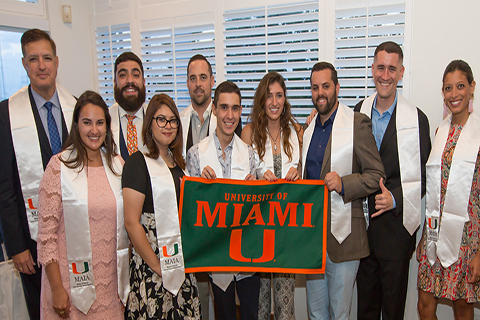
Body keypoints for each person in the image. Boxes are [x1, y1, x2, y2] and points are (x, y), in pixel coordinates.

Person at [0, 28, 76, 320]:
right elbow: (4, 187)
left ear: (57, 61)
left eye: (46, 58)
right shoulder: (6, 114)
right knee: (42, 309)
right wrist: (16, 246)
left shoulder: (76, 106)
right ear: (24, 64)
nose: (41, 65)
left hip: (74, 232)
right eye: (33, 59)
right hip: (31, 239)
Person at [354, 41, 431, 320]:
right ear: (372, 69)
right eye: (380, 68)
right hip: (361, 231)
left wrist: (395, 197)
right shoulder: (355, 112)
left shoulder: (416, 118)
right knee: (366, 310)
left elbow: (424, 175)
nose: (385, 75)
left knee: (393, 311)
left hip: (396, 232)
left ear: (401, 72)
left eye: (392, 69)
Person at [303, 62, 384, 320]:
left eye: (326, 86)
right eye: (315, 88)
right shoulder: (308, 129)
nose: (320, 93)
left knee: (340, 314)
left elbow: (376, 176)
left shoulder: (357, 124)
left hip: (345, 237)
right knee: (316, 314)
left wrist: (344, 183)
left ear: (337, 87)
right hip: (312, 237)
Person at [37, 90, 129, 319]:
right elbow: (47, 235)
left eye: (100, 123)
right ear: (76, 125)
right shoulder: (59, 166)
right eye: (87, 122)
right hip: (69, 289)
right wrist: (57, 288)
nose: (94, 130)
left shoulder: (118, 165)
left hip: (110, 288)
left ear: (107, 127)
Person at [123, 93, 201, 319]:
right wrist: (158, 266)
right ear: (150, 124)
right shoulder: (137, 163)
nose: (168, 126)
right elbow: (131, 222)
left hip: (180, 260)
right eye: (161, 119)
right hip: (152, 265)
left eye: (173, 120)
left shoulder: (179, 164)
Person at [187, 81, 260, 320]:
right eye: (224, 108)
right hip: (217, 254)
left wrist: (254, 191)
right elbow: (190, 210)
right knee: (225, 315)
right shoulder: (196, 153)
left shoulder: (249, 153)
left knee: (250, 314)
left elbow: (259, 210)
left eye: (235, 108)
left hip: (247, 253)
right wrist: (201, 188)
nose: (230, 115)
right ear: (215, 110)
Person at [417, 60, 479, 320]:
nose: (454, 94)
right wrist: (424, 234)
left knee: (462, 309)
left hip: (467, 236)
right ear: (443, 93)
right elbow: (435, 188)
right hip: (434, 232)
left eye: (460, 86)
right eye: (448, 88)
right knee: (424, 305)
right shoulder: (441, 130)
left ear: (472, 87)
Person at [241, 71, 302, 320]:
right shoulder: (249, 133)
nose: (274, 102)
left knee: (286, 305)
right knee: (260, 302)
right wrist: (255, 181)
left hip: (287, 228)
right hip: (258, 229)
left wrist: (299, 176)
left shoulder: (297, 132)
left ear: (285, 99)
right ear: (261, 100)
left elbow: (308, 178)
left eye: (279, 95)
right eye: (269, 96)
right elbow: (241, 182)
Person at [110, 51, 148, 160]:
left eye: (135, 75)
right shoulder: (105, 121)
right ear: (115, 83)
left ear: (144, 82)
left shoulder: (156, 118)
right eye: (123, 75)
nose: (130, 80)